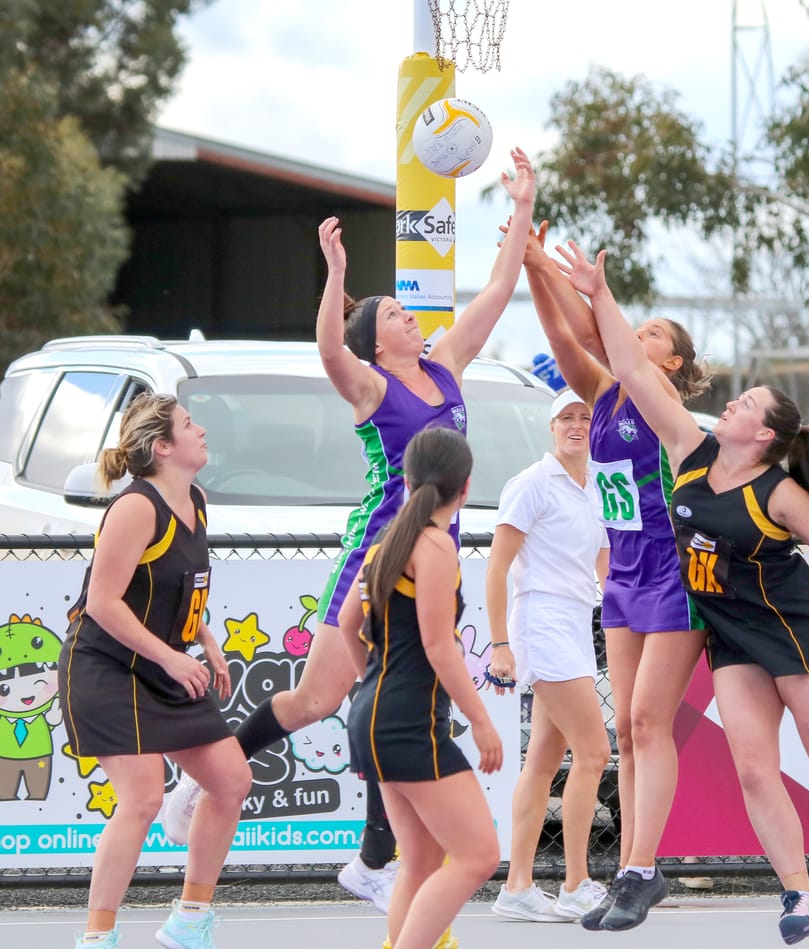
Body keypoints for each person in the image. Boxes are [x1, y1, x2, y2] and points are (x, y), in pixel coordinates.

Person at [161, 148, 535, 923]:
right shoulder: (373, 383)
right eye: (397, 312)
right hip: (379, 554)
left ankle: (372, 861)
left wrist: (523, 208)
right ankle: (204, 780)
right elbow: (329, 349)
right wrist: (334, 271)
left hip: (432, 552)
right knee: (319, 696)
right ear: (378, 340)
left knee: (386, 692)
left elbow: (499, 290)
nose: (411, 314)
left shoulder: (449, 364)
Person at [558, 239, 809, 949]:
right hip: (731, 631)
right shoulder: (690, 450)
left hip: (793, 628)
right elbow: (635, 369)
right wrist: (596, 292)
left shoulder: (781, 492)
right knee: (753, 765)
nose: (729, 401)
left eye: (744, 402)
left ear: (762, 433)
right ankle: (800, 896)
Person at [517, 222, 711, 931]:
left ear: (675, 359)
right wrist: (535, 267)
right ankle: (634, 871)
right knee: (627, 732)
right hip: (624, 574)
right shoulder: (605, 395)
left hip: (670, 572)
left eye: (654, 330)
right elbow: (568, 341)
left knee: (644, 722)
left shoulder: (659, 396)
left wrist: (585, 292)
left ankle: (638, 868)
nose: (640, 333)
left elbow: (601, 334)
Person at [57, 393, 252, 949]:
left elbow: (180, 587)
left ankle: (189, 920)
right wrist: (172, 655)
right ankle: (97, 938)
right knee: (142, 798)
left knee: (231, 780)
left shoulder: (196, 498)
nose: (203, 431)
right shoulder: (136, 507)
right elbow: (103, 602)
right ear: (163, 447)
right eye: (190, 425)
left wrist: (206, 640)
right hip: (106, 665)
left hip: (165, 662)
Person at [344, 426, 503, 949]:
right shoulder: (434, 546)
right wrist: (481, 721)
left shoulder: (386, 544)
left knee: (421, 860)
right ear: (466, 485)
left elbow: (348, 625)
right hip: (406, 719)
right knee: (478, 856)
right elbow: (440, 647)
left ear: (407, 480)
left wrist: (373, 680)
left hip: (372, 712)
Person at [485, 390, 611, 922]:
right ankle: (577, 882)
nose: (577, 425)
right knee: (595, 752)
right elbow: (496, 568)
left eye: (585, 417)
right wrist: (500, 644)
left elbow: (605, 564)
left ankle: (517, 887)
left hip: (577, 622)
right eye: (567, 418)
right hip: (542, 623)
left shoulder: (599, 485)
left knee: (542, 759)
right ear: (551, 427)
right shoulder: (532, 483)